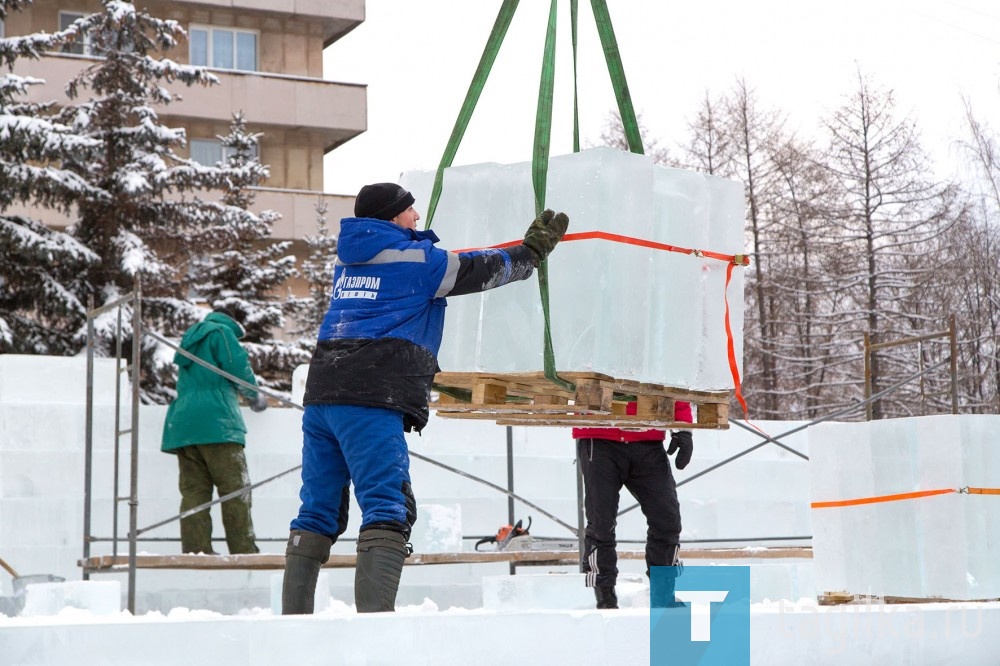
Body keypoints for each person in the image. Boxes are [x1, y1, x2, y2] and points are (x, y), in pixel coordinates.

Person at [282, 182, 569, 614]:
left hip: (323, 394)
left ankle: (293, 628)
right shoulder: (414, 260)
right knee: (386, 506)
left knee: (317, 512)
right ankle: (376, 634)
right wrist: (530, 253)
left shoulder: (349, 258)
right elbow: (479, 269)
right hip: (370, 396)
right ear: (391, 217)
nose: (417, 218)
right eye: (410, 210)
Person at [160, 306, 268, 555]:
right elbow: (237, 366)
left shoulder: (190, 338)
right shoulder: (222, 333)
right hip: (218, 423)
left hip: (183, 425)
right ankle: (244, 549)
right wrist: (254, 396)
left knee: (194, 492)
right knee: (235, 489)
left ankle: (196, 549)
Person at [573, 401, 694, 609]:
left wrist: (683, 428)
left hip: (647, 437)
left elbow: (676, 375)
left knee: (667, 519)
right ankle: (605, 599)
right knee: (601, 522)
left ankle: (663, 594)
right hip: (600, 436)